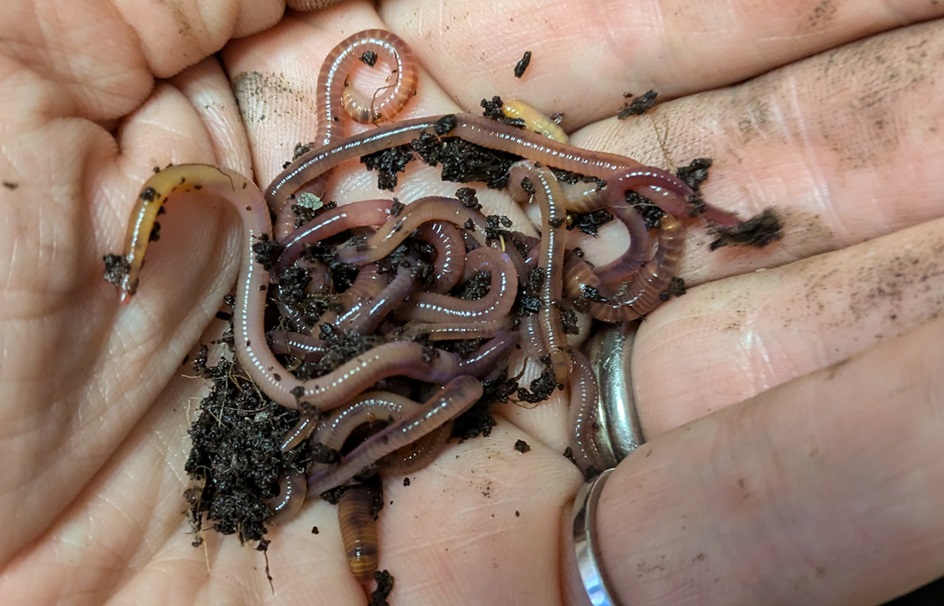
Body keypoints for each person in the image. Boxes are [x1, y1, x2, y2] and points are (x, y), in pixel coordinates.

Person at [1, 1, 942, 604]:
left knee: (430, 337)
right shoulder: (320, 289)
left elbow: (428, 314)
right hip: (385, 322)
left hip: (437, 291)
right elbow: (376, 355)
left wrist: (483, 284)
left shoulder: (459, 272)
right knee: (397, 374)